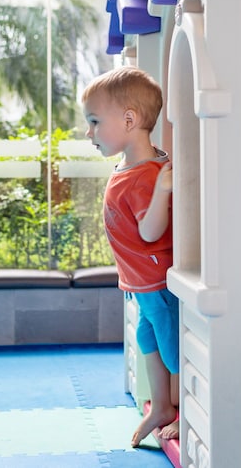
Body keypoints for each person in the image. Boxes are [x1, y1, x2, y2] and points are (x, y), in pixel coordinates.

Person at [81, 65, 179, 447]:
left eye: (94, 122)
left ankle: (187, 409)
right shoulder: (131, 166)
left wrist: (162, 191)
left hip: (154, 281)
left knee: (171, 345)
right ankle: (162, 406)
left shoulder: (145, 176)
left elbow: (150, 232)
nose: (88, 132)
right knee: (147, 335)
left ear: (128, 120)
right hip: (140, 281)